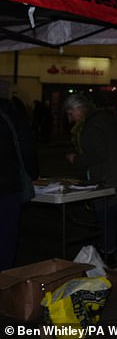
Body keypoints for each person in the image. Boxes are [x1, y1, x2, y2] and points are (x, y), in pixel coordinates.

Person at [64, 94, 117, 266]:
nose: (69, 119)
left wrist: (76, 159)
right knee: (109, 218)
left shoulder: (91, 126)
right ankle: (108, 253)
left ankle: (107, 257)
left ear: (78, 109)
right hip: (116, 176)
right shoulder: (100, 120)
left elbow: (97, 154)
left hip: (108, 179)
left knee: (105, 218)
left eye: (70, 113)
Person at [0, 82, 39, 270]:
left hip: (7, 182)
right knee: (6, 238)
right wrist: (32, 173)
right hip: (8, 184)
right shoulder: (12, 115)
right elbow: (26, 147)